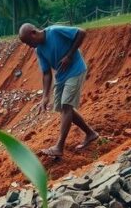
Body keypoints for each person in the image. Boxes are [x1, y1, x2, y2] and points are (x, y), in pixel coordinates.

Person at [18, 23, 98, 158]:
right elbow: (46, 73)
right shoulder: (39, 50)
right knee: (63, 108)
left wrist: (70, 55)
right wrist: (45, 96)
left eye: (28, 42)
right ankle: (91, 133)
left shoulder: (55, 31)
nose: (29, 46)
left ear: (33, 33)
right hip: (61, 76)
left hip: (76, 70)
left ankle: (59, 147)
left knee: (66, 106)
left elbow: (81, 32)